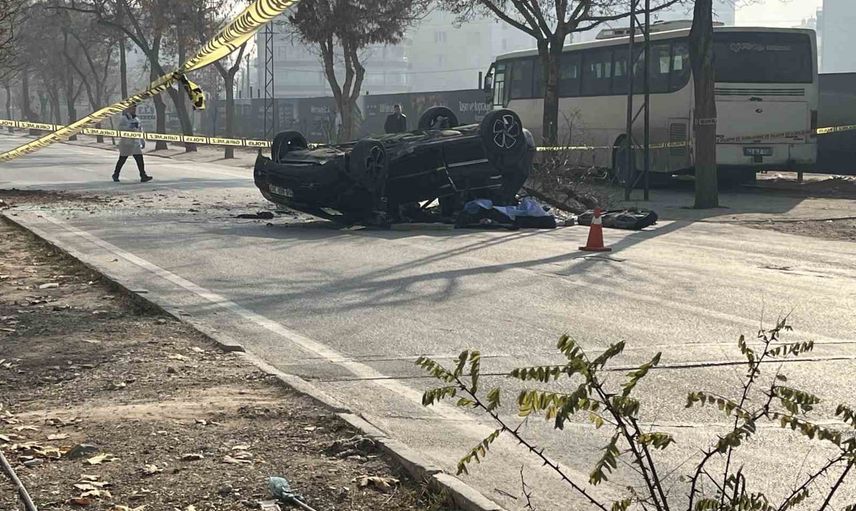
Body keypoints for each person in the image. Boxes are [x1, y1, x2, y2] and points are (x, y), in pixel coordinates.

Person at [113, 105, 152, 183]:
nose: (134, 110)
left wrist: (142, 140)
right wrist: (129, 127)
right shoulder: (124, 118)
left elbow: (140, 130)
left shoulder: (137, 119)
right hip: (126, 142)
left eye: (134, 108)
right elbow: (119, 129)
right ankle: (116, 174)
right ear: (128, 109)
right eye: (132, 108)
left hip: (136, 143)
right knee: (122, 159)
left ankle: (143, 175)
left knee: (140, 159)